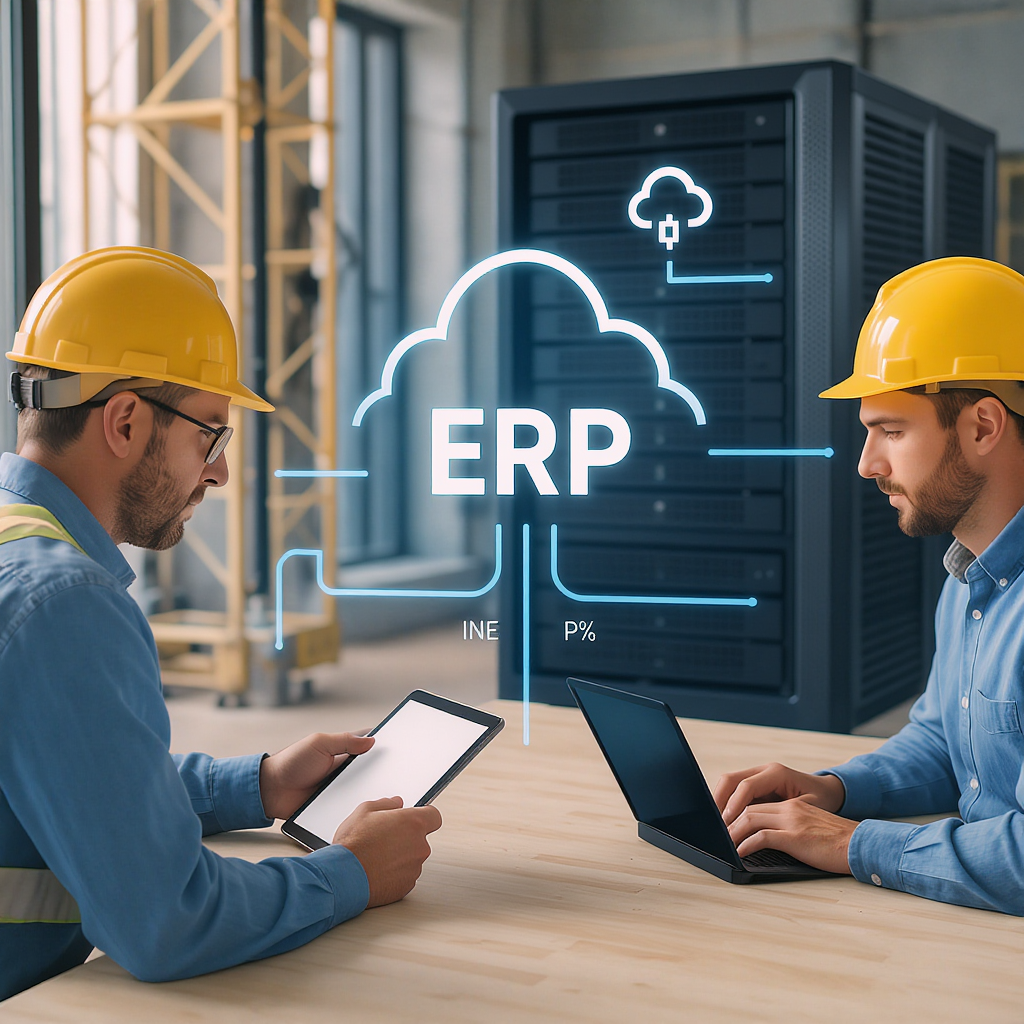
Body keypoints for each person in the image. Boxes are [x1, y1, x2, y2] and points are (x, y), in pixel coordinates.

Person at [0, 247, 441, 1002]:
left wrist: (257, 786)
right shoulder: (64, 605)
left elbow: (70, 774)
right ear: (127, 420)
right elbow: (167, 921)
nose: (219, 471)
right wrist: (350, 873)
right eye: (210, 432)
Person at [713, 256, 1024, 915]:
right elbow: (947, 745)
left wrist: (853, 843)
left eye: (891, 430)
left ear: (983, 427)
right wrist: (833, 790)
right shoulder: (971, 578)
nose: (866, 463)